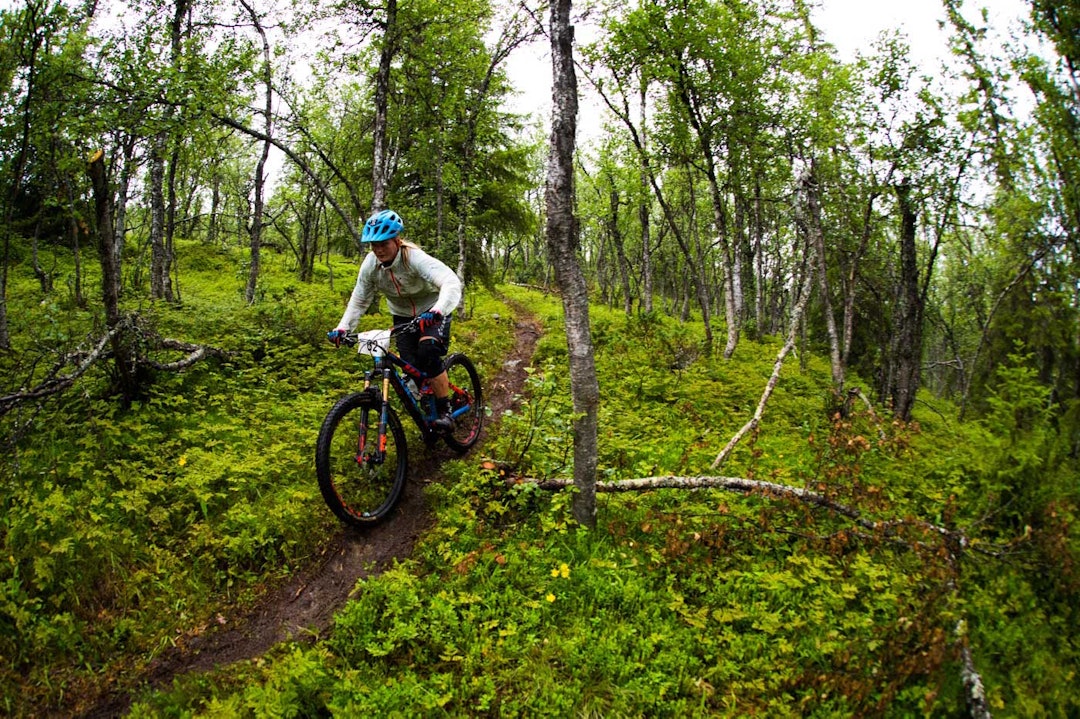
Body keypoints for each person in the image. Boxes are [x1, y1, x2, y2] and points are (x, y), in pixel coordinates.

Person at [328, 209, 463, 432]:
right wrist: (343, 328)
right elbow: (360, 299)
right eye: (374, 245)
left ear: (397, 241)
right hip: (402, 315)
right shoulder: (370, 265)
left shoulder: (414, 258)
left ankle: (444, 409)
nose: (379, 250)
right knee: (409, 364)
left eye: (384, 244)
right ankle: (424, 394)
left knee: (428, 351)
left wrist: (438, 310)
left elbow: (450, 281)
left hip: (432, 310)